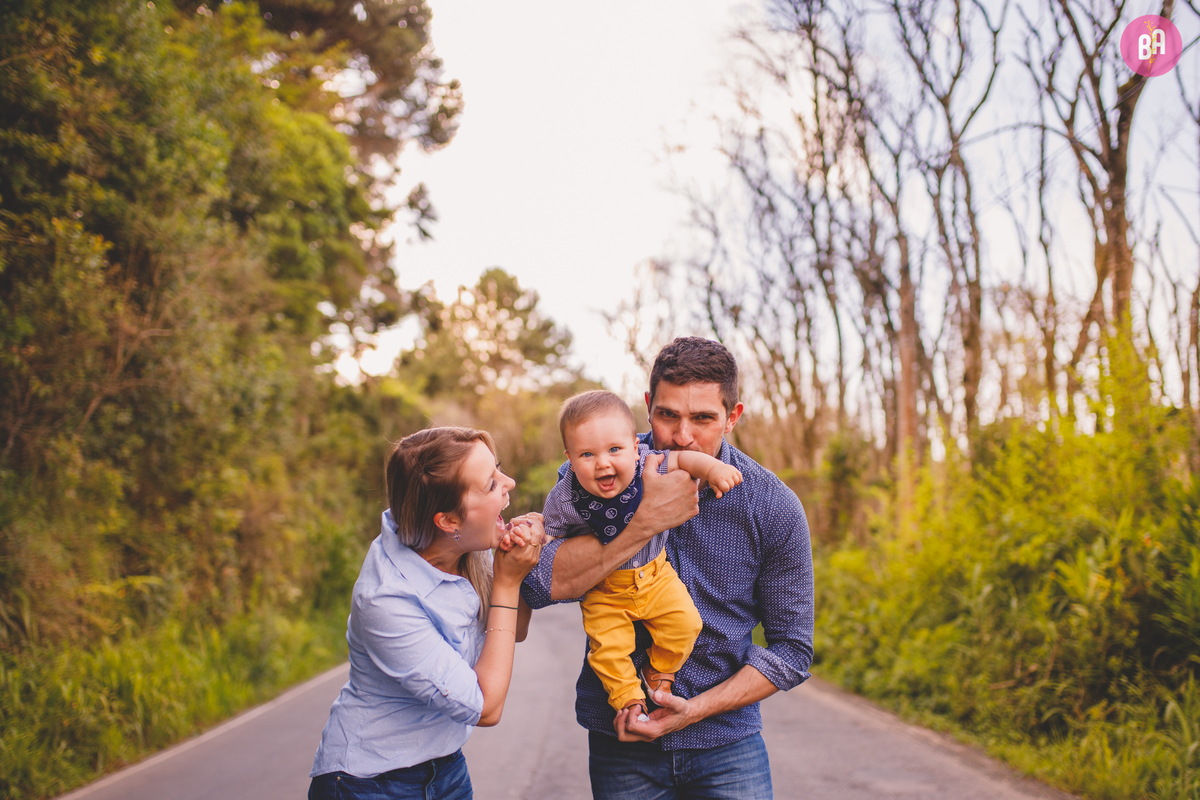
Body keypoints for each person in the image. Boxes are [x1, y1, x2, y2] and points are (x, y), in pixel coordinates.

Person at [522, 337, 814, 800]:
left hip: (728, 743)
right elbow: (537, 585)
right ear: (647, 406)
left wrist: (694, 710)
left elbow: (792, 650)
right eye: (667, 415)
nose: (682, 436)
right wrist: (642, 524)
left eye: (703, 419)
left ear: (733, 416)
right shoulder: (598, 472)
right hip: (621, 742)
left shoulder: (772, 506)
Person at [309, 426, 545, 800]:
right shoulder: (385, 599)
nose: (510, 483)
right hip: (368, 783)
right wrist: (507, 582)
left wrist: (520, 563)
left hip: (446, 769)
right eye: (490, 484)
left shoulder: (466, 545)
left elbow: (513, 628)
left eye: (498, 469)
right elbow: (486, 707)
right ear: (448, 520)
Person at [543, 389, 742, 720]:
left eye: (615, 449)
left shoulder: (648, 466)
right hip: (604, 590)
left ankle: (659, 670)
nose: (603, 463)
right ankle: (628, 700)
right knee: (608, 650)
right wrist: (532, 532)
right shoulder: (565, 497)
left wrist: (713, 469)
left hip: (655, 577)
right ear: (570, 459)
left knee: (686, 623)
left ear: (635, 447)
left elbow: (683, 460)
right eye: (587, 454)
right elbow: (550, 535)